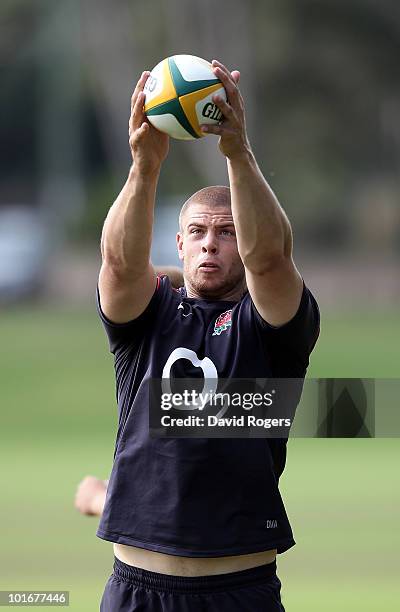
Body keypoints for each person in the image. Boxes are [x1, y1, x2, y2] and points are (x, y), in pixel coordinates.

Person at [95, 59, 320, 611]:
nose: (210, 244)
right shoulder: (148, 317)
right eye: (197, 232)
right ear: (178, 243)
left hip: (236, 590)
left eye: (227, 232)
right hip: (136, 589)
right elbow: (120, 266)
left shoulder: (271, 326)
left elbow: (269, 258)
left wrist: (238, 153)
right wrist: (144, 168)